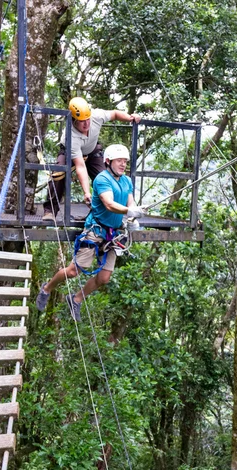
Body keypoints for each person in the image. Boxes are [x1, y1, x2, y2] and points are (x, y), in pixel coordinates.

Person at [36, 144, 145, 321]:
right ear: (108, 162)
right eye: (119, 161)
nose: (123, 164)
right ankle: (46, 288)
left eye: (125, 161)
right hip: (96, 229)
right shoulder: (102, 179)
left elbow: (130, 202)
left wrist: (133, 215)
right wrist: (128, 211)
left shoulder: (126, 181)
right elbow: (109, 204)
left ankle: (76, 299)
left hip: (113, 234)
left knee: (104, 278)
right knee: (73, 272)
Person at [42, 97, 141, 220]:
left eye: (88, 119)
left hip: (92, 149)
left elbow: (115, 114)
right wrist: (86, 192)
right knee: (58, 173)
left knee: (106, 178)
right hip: (69, 152)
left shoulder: (97, 116)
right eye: (82, 121)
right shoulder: (71, 135)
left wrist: (130, 118)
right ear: (73, 120)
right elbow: (80, 166)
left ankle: (104, 214)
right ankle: (50, 210)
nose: (86, 123)